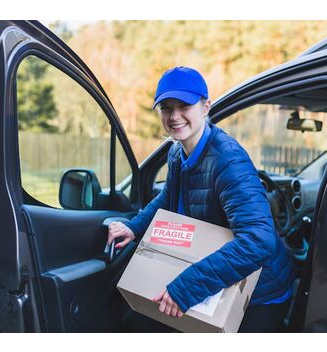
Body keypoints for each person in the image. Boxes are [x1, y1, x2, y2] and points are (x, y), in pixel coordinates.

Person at [107, 66, 295, 333]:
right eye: (166, 107)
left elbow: (258, 241)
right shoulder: (177, 153)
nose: (174, 116)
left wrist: (185, 289)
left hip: (259, 293)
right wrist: (134, 227)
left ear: (206, 107)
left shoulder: (228, 160)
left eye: (184, 105)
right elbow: (167, 199)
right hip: (218, 277)